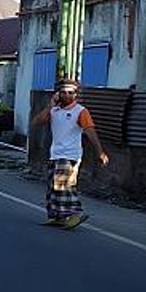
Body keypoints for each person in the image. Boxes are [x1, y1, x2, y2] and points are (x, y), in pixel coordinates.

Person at [31, 79, 109, 229]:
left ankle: (75, 213)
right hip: (55, 153)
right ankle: (58, 216)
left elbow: (90, 131)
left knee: (63, 184)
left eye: (70, 92)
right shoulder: (54, 111)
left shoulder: (80, 111)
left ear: (75, 94)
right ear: (58, 94)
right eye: (63, 92)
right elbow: (36, 122)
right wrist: (50, 106)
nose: (67, 95)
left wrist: (100, 152)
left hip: (70, 155)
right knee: (53, 187)